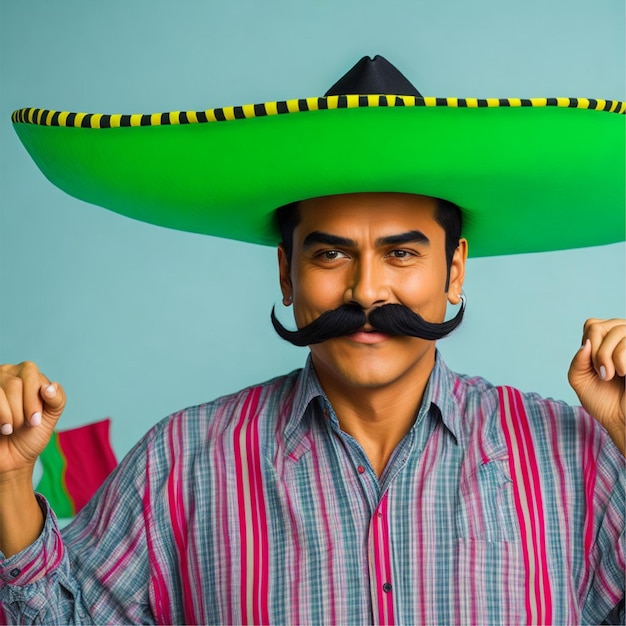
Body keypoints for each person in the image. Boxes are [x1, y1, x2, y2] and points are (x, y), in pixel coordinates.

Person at [1, 57, 624, 625]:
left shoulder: (577, 458)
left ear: (454, 269)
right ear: (286, 271)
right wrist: (7, 482)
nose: (366, 291)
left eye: (401, 253)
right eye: (331, 254)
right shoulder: (180, 462)